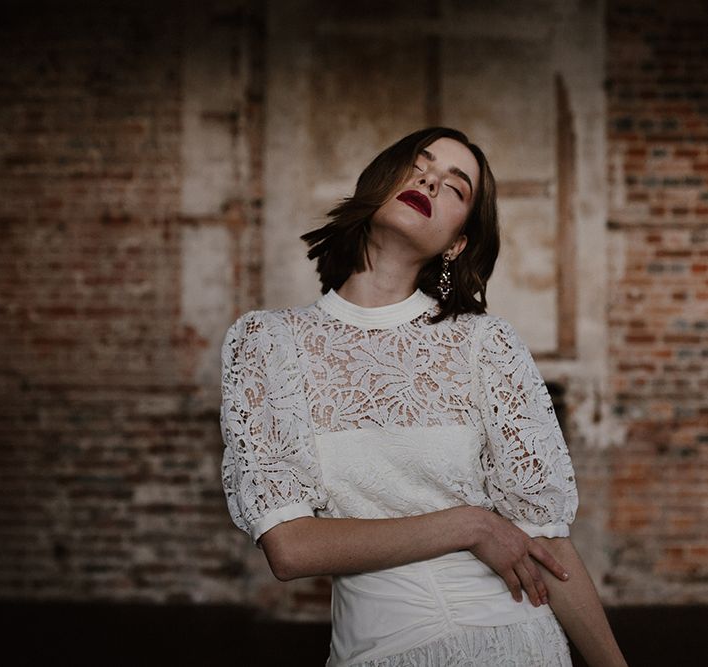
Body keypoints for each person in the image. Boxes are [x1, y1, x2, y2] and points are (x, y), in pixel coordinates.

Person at [220, 127, 627, 666]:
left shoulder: (486, 342)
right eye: (419, 165)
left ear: (456, 243)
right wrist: (472, 524)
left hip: (512, 640)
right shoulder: (266, 343)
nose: (431, 181)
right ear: (379, 182)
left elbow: (546, 540)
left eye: (456, 188)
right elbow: (290, 549)